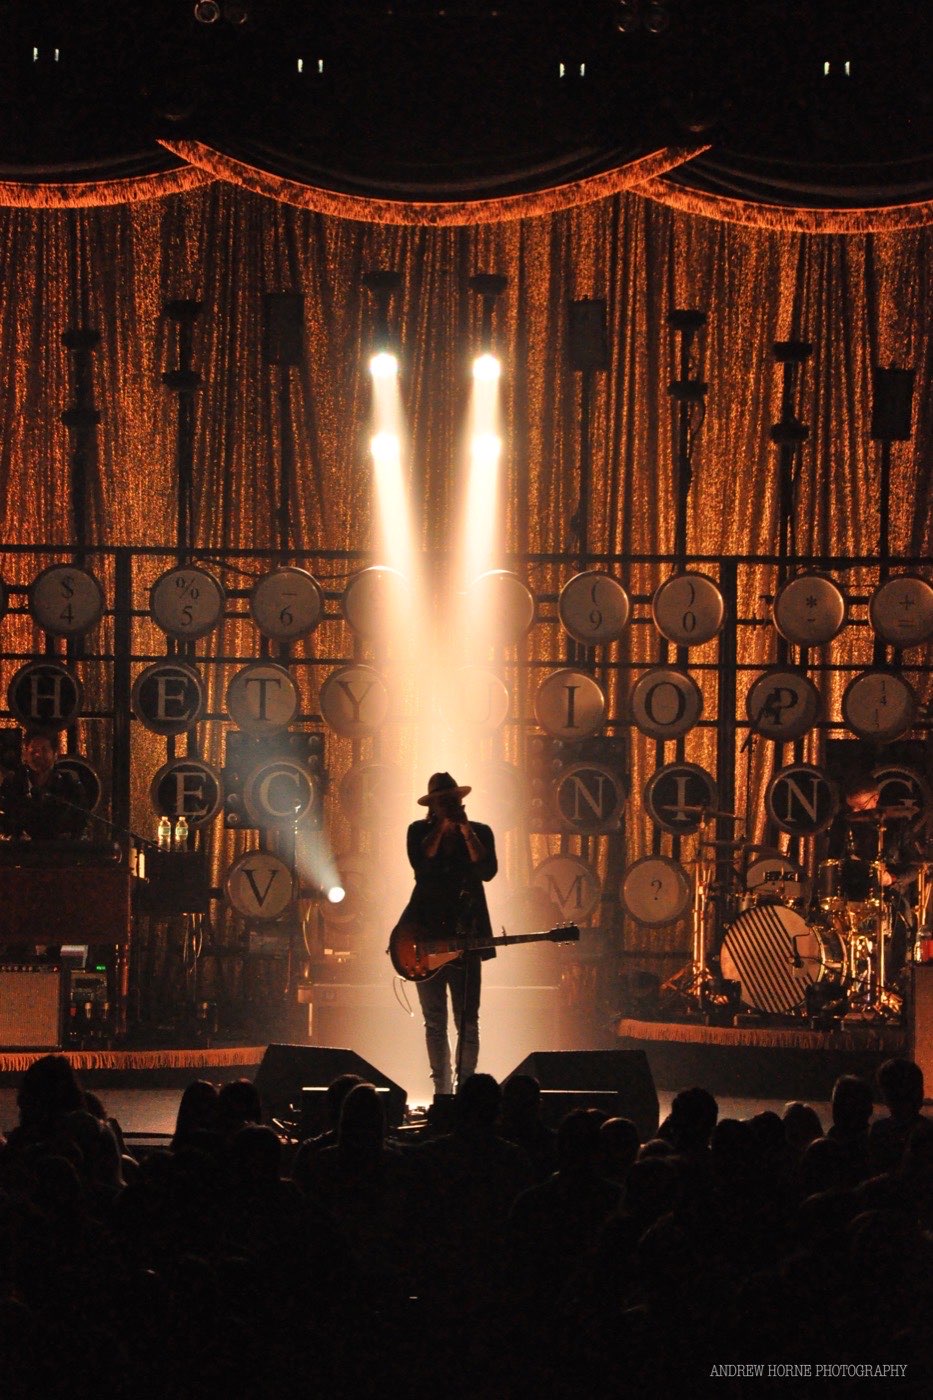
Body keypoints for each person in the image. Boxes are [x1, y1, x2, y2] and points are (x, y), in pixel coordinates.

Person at [402, 772, 497, 1098]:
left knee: (468, 1022)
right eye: (444, 801)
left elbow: (487, 871)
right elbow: (421, 865)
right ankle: (442, 1093)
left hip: (467, 936)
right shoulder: (419, 831)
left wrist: (465, 830)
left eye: (454, 800)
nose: (451, 805)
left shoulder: (481, 832)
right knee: (435, 1022)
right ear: (433, 805)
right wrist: (443, 827)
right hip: (426, 935)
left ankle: (466, 1091)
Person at [824, 767, 921, 978]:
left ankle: (894, 979)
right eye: (852, 808)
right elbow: (831, 861)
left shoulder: (898, 826)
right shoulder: (843, 823)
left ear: (875, 798)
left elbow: (915, 867)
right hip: (851, 896)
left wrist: (892, 878)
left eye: (860, 807)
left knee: (900, 923)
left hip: (890, 897)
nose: (855, 813)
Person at [0, 727, 87, 841]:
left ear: (55, 754)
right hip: (21, 853)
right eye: (33, 750)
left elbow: (80, 822)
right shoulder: (13, 784)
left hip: (59, 852)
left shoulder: (69, 785)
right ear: (26, 754)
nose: (37, 755)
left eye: (44, 750)